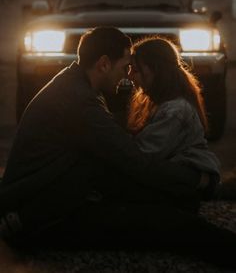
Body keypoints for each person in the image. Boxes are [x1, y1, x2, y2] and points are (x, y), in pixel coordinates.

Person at [0, 27, 235, 268]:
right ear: (103, 64)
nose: (128, 77)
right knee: (176, 224)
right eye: (125, 67)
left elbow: (119, 152)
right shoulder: (79, 103)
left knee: (179, 204)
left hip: (61, 194)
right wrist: (198, 181)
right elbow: (135, 160)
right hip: (47, 214)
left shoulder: (73, 85)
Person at [128, 36, 221, 205]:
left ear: (155, 70)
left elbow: (144, 154)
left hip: (185, 183)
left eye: (136, 69)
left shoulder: (175, 110)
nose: (130, 75)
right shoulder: (160, 103)